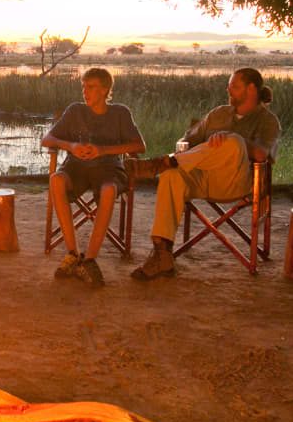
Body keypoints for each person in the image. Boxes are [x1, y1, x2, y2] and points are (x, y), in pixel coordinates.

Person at [131, 67, 280, 281]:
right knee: (171, 176)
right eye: (229, 86)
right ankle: (162, 253)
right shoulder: (218, 113)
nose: (229, 90)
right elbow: (186, 141)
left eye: (235, 87)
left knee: (233, 141)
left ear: (251, 89)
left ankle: (162, 163)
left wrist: (231, 139)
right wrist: (195, 149)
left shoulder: (268, 121)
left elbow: (262, 154)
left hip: (235, 181)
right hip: (202, 179)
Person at [41, 67, 146, 286]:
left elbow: (140, 146)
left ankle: (89, 260)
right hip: (76, 167)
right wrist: (70, 145)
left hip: (108, 168)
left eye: (91, 87)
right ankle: (73, 253)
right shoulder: (75, 111)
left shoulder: (119, 113)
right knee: (56, 180)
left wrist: (103, 150)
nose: (85, 92)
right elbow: (47, 139)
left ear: (105, 89)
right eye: (83, 87)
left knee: (108, 190)